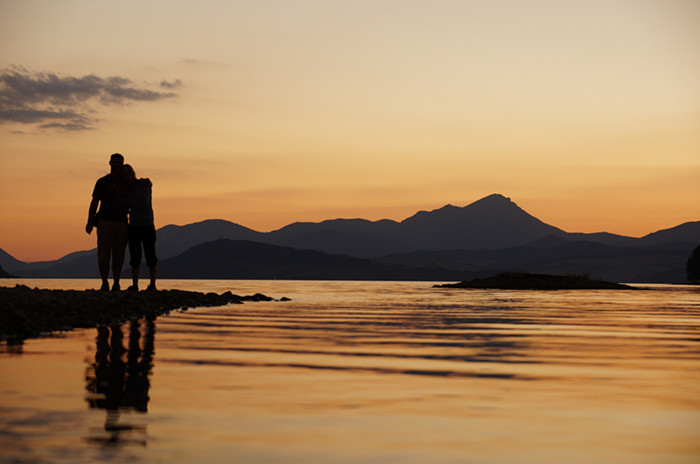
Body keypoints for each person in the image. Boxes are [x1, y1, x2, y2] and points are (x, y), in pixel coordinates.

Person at [86, 153, 129, 291]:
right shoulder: (102, 182)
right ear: (110, 163)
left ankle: (116, 283)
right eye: (115, 162)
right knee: (103, 255)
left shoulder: (127, 182)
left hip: (122, 222)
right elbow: (94, 201)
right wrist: (89, 221)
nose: (117, 165)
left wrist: (146, 182)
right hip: (104, 221)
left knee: (119, 255)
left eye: (119, 163)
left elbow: (138, 188)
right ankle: (104, 282)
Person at [122, 164, 158, 291]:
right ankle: (135, 285)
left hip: (147, 225)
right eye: (124, 173)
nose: (127, 175)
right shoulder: (125, 188)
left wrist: (127, 202)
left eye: (128, 172)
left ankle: (153, 284)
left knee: (150, 255)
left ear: (133, 173)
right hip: (133, 226)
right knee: (135, 256)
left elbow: (145, 202)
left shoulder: (143, 184)